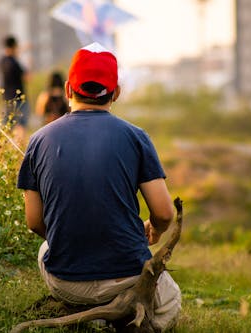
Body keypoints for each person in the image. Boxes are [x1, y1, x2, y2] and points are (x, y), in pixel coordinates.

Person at [17, 42, 181, 331]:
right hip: (127, 277)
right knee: (170, 299)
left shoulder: (38, 140)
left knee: (45, 248)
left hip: (65, 281)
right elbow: (165, 213)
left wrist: (67, 238)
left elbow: (34, 222)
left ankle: (92, 312)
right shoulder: (136, 137)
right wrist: (154, 229)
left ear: (69, 89)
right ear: (116, 92)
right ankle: (129, 319)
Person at [0, 35, 29, 142]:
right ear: (14, 46)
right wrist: (29, 65)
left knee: (7, 126)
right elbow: (27, 78)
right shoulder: (15, 63)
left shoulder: (2, 61)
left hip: (6, 98)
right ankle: (19, 150)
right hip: (19, 98)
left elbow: (13, 55)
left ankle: (3, 151)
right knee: (21, 125)